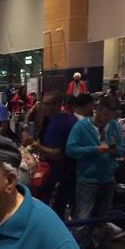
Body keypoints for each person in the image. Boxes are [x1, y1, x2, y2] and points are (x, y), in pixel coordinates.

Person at [66, 95, 124, 249]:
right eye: (104, 114)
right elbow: (71, 149)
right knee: (83, 218)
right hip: (87, 179)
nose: (106, 119)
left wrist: (112, 150)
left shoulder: (113, 126)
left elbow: (121, 148)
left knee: (100, 218)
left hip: (107, 178)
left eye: (110, 116)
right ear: (97, 109)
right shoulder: (82, 126)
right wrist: (94, 149)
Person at [29, 91, 77, 220]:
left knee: (52, 212)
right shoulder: (53, 120)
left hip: (59, 174)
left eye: (47, 104)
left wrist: (37, 146)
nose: (43, 107)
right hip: (60, 174)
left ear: (57, 105)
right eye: (42, 103)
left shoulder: (61, 122)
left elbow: (58, 154)